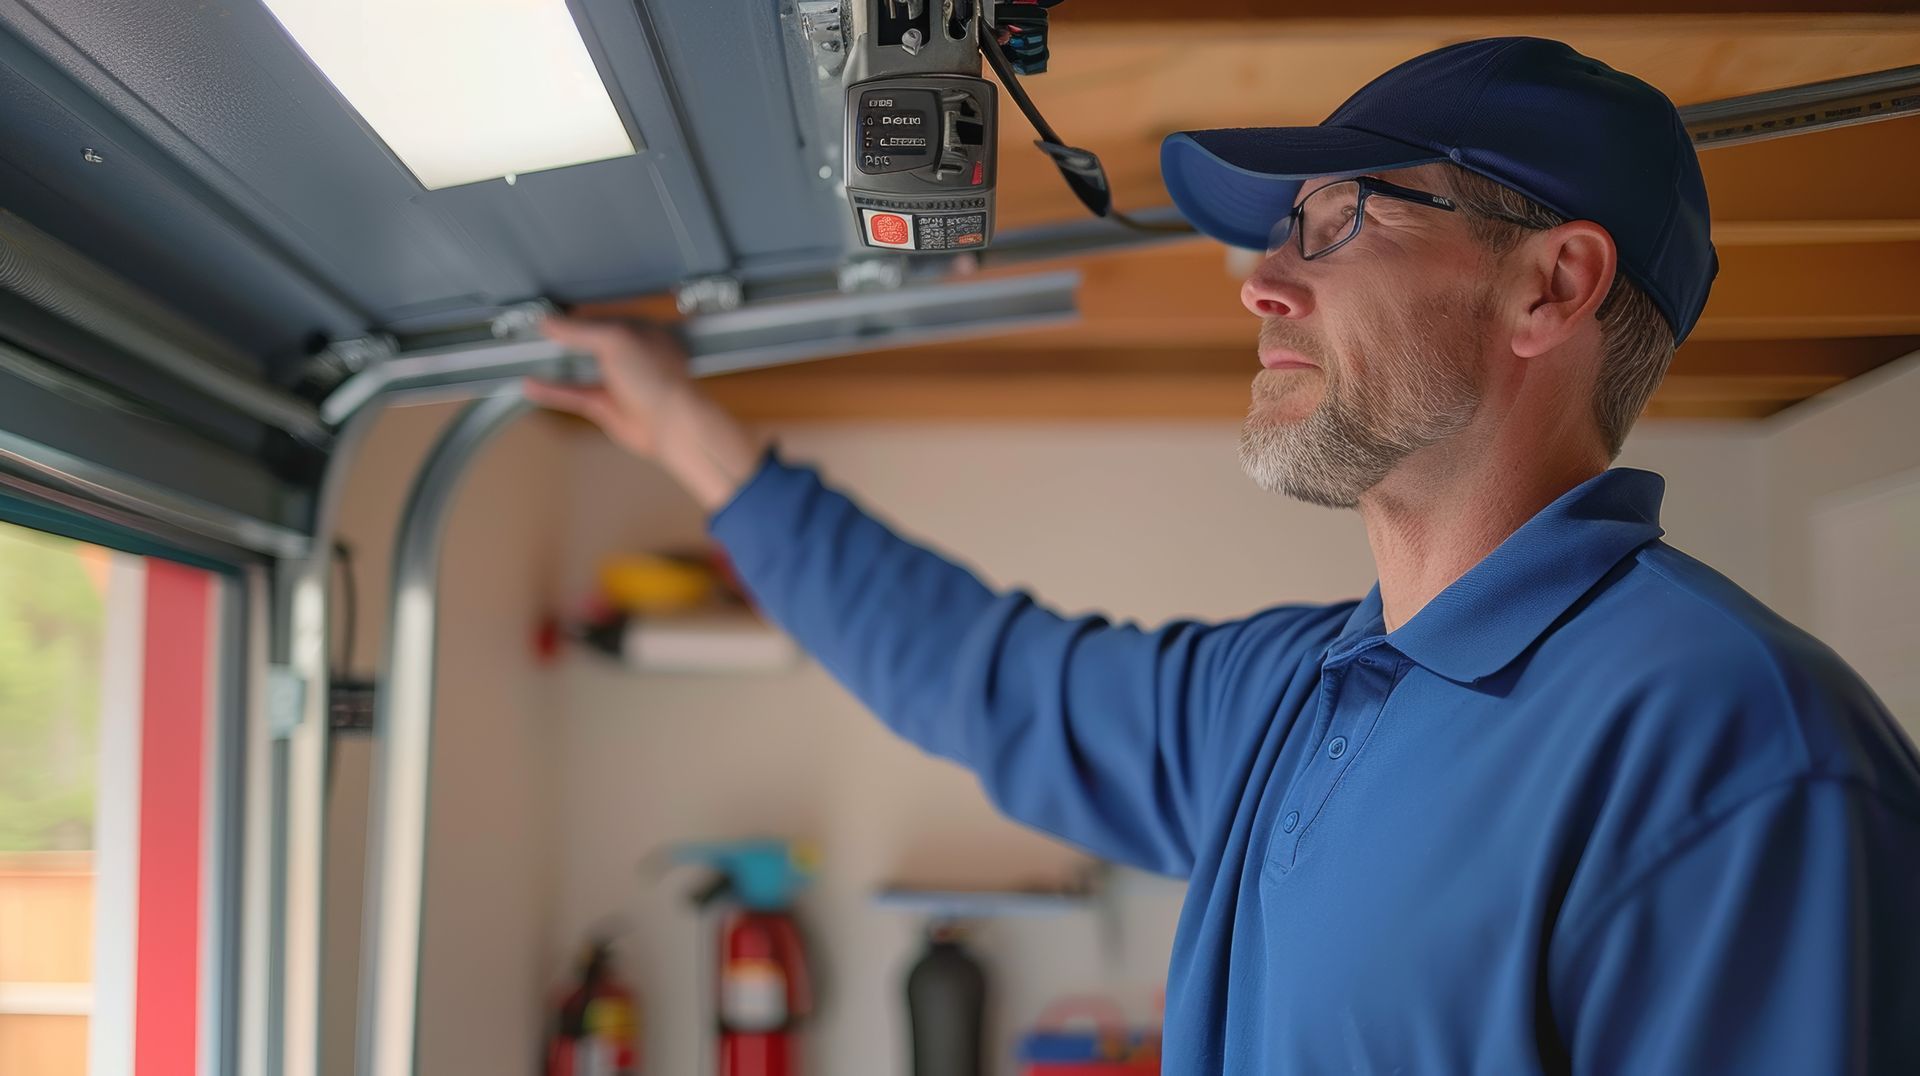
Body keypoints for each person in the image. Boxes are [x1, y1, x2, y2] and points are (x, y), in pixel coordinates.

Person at [527, 37, 1920, 1075]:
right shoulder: (1294, 695)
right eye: (1283, 229)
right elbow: (979, 675)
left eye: (1342, 217)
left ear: (1550, 285)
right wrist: (688, 437)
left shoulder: (1735, 750)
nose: (1262, 281)